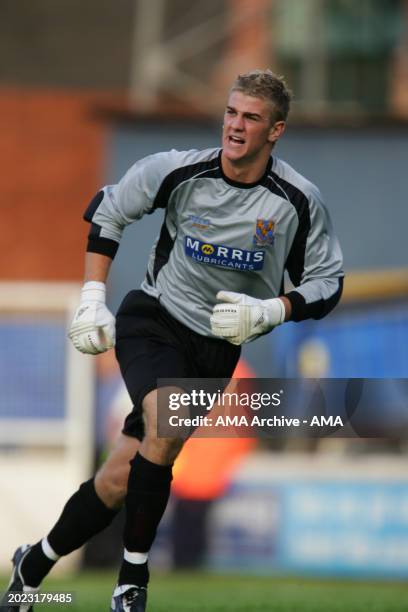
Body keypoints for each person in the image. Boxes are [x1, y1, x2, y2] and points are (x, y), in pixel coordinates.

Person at [3, 69, 344, 612]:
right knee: (163, 425)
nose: (235, 126)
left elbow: (328, 283)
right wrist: (93, 297)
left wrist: (271, 309)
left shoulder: (297, 202)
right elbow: (109, 210)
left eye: (251, 118)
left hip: (214, 350)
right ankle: (132, 583)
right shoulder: (180, 171)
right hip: (155, 319)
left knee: (120, 478)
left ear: (275, 131)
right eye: (231, 112)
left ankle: (34, 563)